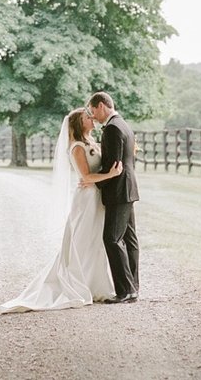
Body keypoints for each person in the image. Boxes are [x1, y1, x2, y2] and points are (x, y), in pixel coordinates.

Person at [0, 108, 121, 313]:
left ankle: (95, 284)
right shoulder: (77, 147)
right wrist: (112, 175)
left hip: (97, 198)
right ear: (80, 124)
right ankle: (78, 284)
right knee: (82, 241)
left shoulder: (91, 142)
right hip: (86, 200)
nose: (92, 118)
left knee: (95, 241)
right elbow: (86, 178)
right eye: (88, 117)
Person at [87, 90, 140, 303]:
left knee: (112, 238)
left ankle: (126, 290)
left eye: (93, 111)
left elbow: (113, 166)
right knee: (129, 238)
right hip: (128, 188)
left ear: (101, 105)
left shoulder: (111, 129)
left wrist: (94, 182)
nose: (93, 116)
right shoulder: (124, 124)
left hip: (118, 190)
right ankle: (133, 286)